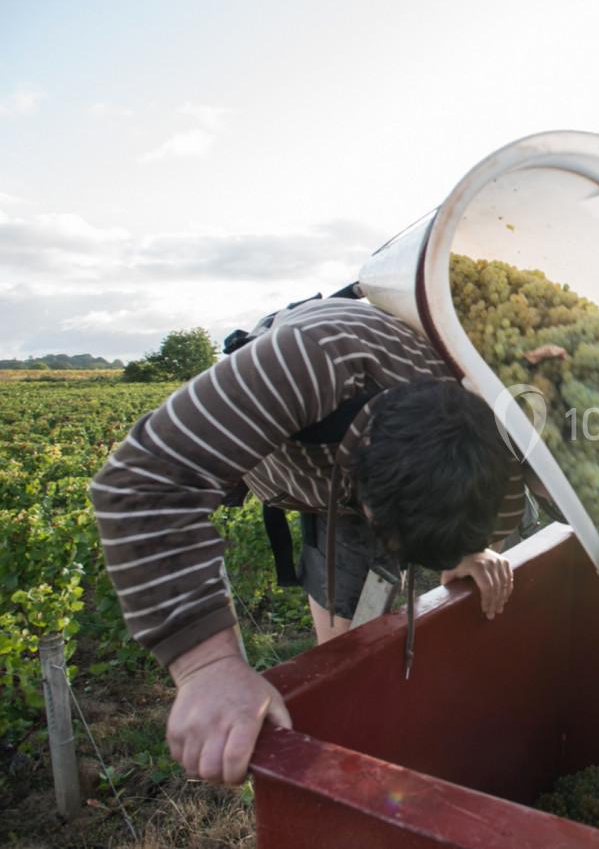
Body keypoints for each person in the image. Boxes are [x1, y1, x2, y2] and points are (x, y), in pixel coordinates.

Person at [91, 297, 528, 785]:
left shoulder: (505, 430)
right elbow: (141, 482)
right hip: (305, 463)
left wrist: (470, 548)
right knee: (346, 643)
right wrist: (207, 666)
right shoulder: (314, 359)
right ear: (363, 490)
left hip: (392, 459)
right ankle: (356, 758)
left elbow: (499, 505)